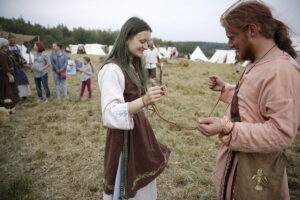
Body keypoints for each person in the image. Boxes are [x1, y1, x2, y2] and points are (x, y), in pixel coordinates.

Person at [196, 1, 300, 200]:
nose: (229, 44)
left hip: (254, 170)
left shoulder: (282, 70)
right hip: (238, 162)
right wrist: (226, 89)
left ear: (252, 30)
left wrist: (226, 128)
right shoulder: (260, 62)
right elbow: (256, 99)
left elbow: (281, 134)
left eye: (232, 37)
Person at [98, 17, 170, 200]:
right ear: (126, 38)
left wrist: (150, 95)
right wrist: (144, 100)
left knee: (143, 184)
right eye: (142, 41)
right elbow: (110, 113)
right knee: (128, 185)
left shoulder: (133, 64)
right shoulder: (112, 69)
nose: (146, 46)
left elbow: (134, 99)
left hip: (139, 132)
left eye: (148, 42)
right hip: (124, 139)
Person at [7, 34, 32, 100]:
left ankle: (24, 95)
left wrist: (23, 59)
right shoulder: (6, 48)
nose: (13, 42)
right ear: (8, 40)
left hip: (18, 66)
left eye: (14, 40)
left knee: (23, 79)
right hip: (11, 67)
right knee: (14, 82)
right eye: (11, 40)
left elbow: (23, 55)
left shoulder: (18, 47)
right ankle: (16, 96)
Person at [0, 38, 20, 114]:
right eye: (7, 43)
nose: (8, 44)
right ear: (4, 45)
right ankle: (8, 109)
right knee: (7, 93)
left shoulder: (2, 53)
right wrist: (9, 75)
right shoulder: (2, 54)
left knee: (3, 93)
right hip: (4, 77)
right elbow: (5, 67)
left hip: (2, 75)